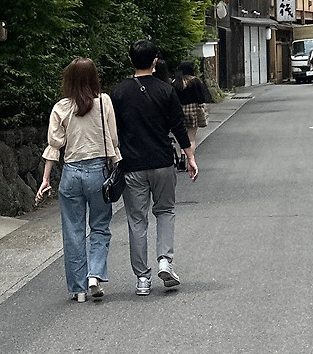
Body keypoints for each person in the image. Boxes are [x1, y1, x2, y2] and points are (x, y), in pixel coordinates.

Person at [111, 38, 198, 296]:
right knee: (165, 210)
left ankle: (142, 279)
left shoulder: (118, 92)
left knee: (137, 221)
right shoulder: (165, 90)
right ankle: (164, 261)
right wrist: (190, 156)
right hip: (162, 162)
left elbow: (114, 130)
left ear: (130, 60)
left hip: (132, 165)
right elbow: (178, 126)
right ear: (155, 61)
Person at [36, 57, 121, 304]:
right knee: (100, 226)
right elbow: (113, 140)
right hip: (98, 172)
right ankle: (95, 275)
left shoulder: (60, 107)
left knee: (73, 231)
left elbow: (54, 146)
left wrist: (45, 179)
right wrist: (118, 166)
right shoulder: (104, 102)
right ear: (94, 78)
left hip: (71, 174)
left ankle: (78, 289)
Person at [173, 58, 212, 147]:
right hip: (193, 110)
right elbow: (201, 97)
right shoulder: (195, 81)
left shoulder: (176, 82)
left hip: (179, 110)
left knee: (182, 137)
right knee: (191, 138)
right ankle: (189, 155)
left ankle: (183, 153)